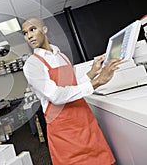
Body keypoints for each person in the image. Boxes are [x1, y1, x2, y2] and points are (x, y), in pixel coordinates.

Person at [22, 17, 122, 165]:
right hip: (64, 132)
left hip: (85, 122)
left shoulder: (61, 55)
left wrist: (93, 72)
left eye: (32, 29)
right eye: (25, 33)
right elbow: (57, 95)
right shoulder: (32, 65)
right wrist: (98, 81)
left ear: (44, 29)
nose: (29, 36)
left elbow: (72, 85)